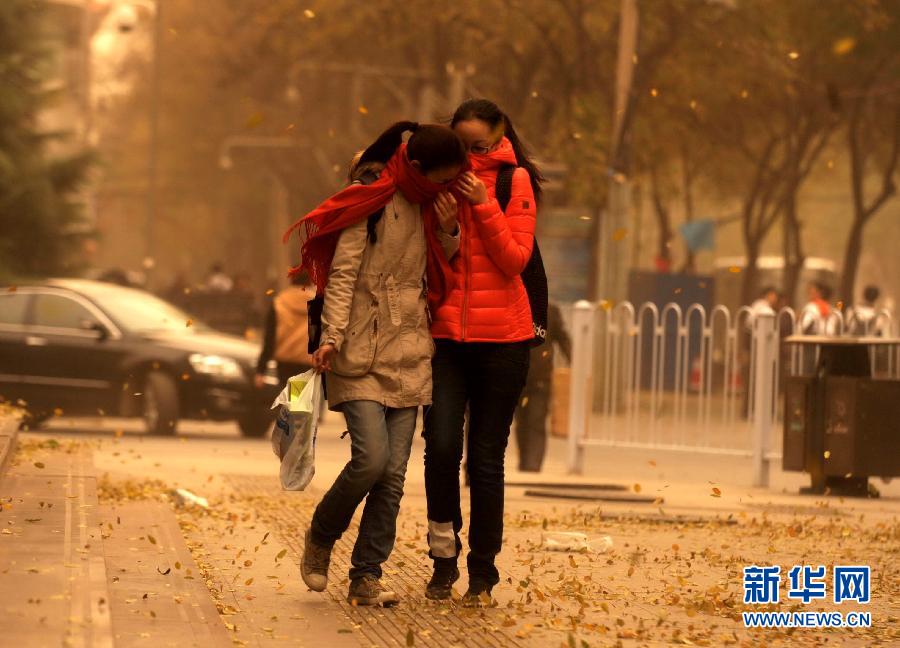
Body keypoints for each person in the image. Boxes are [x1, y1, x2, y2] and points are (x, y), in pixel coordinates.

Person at [286, 121, 466, 607]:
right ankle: (322, 535)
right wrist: (331, 338)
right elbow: (343, 276)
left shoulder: (434, 204)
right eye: (442, 177)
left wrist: (449, 229)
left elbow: (441, 270)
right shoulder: (370, 196)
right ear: (420, 168)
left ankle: (367, 574)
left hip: (411, 350)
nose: (447, 187)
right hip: (359, 347)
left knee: (392, 475)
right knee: (370, 460)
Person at [423, 98, 540, 605]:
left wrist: (483, 206)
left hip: (504, 344)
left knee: (485, 461)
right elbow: (429, 262)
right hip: (448, 339)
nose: (470, 156)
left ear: (499, 136)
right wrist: (447, 229)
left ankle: (483, 572)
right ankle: (443, 558)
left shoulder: (516, 183)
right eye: (461, 146)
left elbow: (514, 260)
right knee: (442, 449)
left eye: (479, 146)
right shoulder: (441, 182)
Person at [513, 302, 571, 472]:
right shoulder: (514, 306)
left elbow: (563, 338)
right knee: (521, 422)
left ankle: (533, 466)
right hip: (516, 377)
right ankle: (525, 462)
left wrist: (574, 362)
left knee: (536, 421)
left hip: (541, 379)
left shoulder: (549, 310)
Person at [254, 271, 317, 388]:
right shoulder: (317, 303)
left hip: (284, 363)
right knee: (299, 401)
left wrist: (261, 370)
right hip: (307, 362)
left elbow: (270, 338)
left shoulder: (279, 302)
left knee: (289, 400)